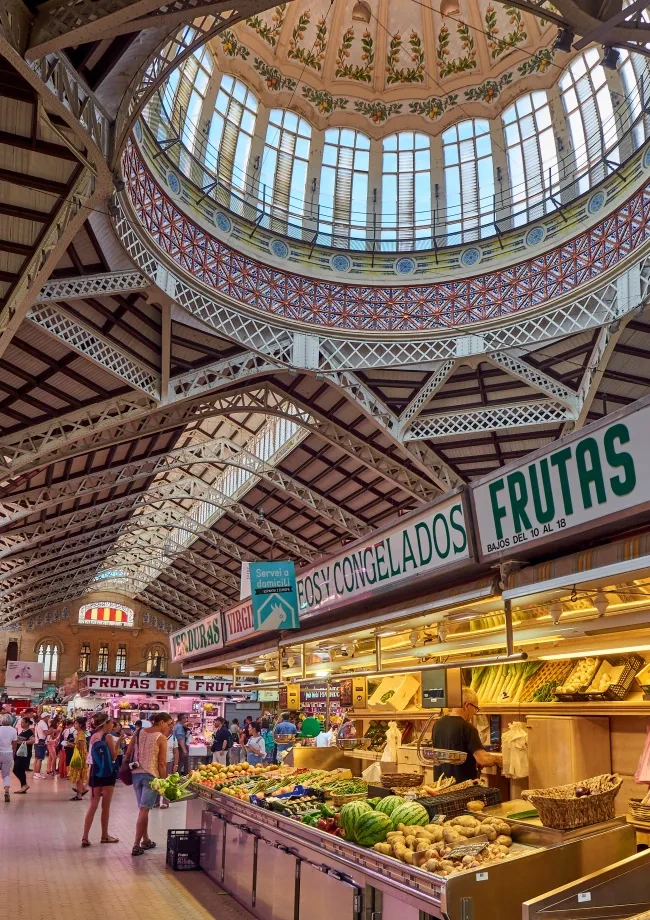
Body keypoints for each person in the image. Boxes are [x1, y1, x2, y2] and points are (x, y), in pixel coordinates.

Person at [432, 687, 503, 783]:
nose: (474, 713)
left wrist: (472, 760)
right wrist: (498, 759)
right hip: (461, 788)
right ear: (467, 705)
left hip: (440, 787)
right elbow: (483, 759)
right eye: (475, 708)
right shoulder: (467, 728)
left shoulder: (437, 724)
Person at [128, 711, 173, 855]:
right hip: (151, 777)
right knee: (144, 810)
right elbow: (161, 763)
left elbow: (129, 749)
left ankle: (145, 840)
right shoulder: (161, 737)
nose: (170, 727)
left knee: (142, 810)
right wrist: (163, 782)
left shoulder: (140, 731)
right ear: (161, 722)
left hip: (136, 774)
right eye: (169, 723)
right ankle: (136, 845)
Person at [81, 713, 119, 847]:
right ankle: (104, 835)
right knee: (106, 807)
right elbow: (114, 757)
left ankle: (85, 837)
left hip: (94, 774)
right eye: (111, 723)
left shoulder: (92, 738)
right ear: (106, 724)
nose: (112, 725)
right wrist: (118, 743)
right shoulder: (108, 737)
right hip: (108, 775)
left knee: (93, 805)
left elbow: (91, 758)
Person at [68, 716, 89, 800]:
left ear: (80, 725)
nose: (74, 725)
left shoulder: (80, 734)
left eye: (76, 723)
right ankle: (82, 789)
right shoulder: (80, 733)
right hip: (80, 756)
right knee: (78, 776)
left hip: (79, 757)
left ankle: (79, 794)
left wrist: (71, 745)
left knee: (78, 776)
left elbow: (80, 746)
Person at [157, 729, 179, 808]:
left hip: (169, 762)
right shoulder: (158, 737)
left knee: (167, 782)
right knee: (158, 782)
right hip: (158, 763)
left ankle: (165, 802)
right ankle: (156, 801)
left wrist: (176, 764)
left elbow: (176, 752)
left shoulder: (173, 738)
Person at [12, 716, 34, 794]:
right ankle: (23, 786)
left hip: (24, 754)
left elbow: (33, 740)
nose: (21, 724)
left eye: (22, 722)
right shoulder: (23, 731)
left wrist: (24, 742)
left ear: (27, 723)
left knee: (16, 769)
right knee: (20, 770)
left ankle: (24, 785)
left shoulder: (29, 732)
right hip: (19, 753)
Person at [0, 713, 18, 802]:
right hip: (8, 753)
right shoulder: (13, 730)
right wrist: (13, 753)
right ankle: (6, 792)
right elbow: (14, 743)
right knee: (6, 774)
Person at [32, 713, 49, 778]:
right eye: (48, 717)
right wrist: (53, 731)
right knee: (40, 759)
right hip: (41, 743)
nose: (48, 718)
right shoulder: (43, 724)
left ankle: (36, 773)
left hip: (37, 742)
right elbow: (46, 733)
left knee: (37, 758)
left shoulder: (38, 723)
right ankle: (37, 773)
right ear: (45, 717)